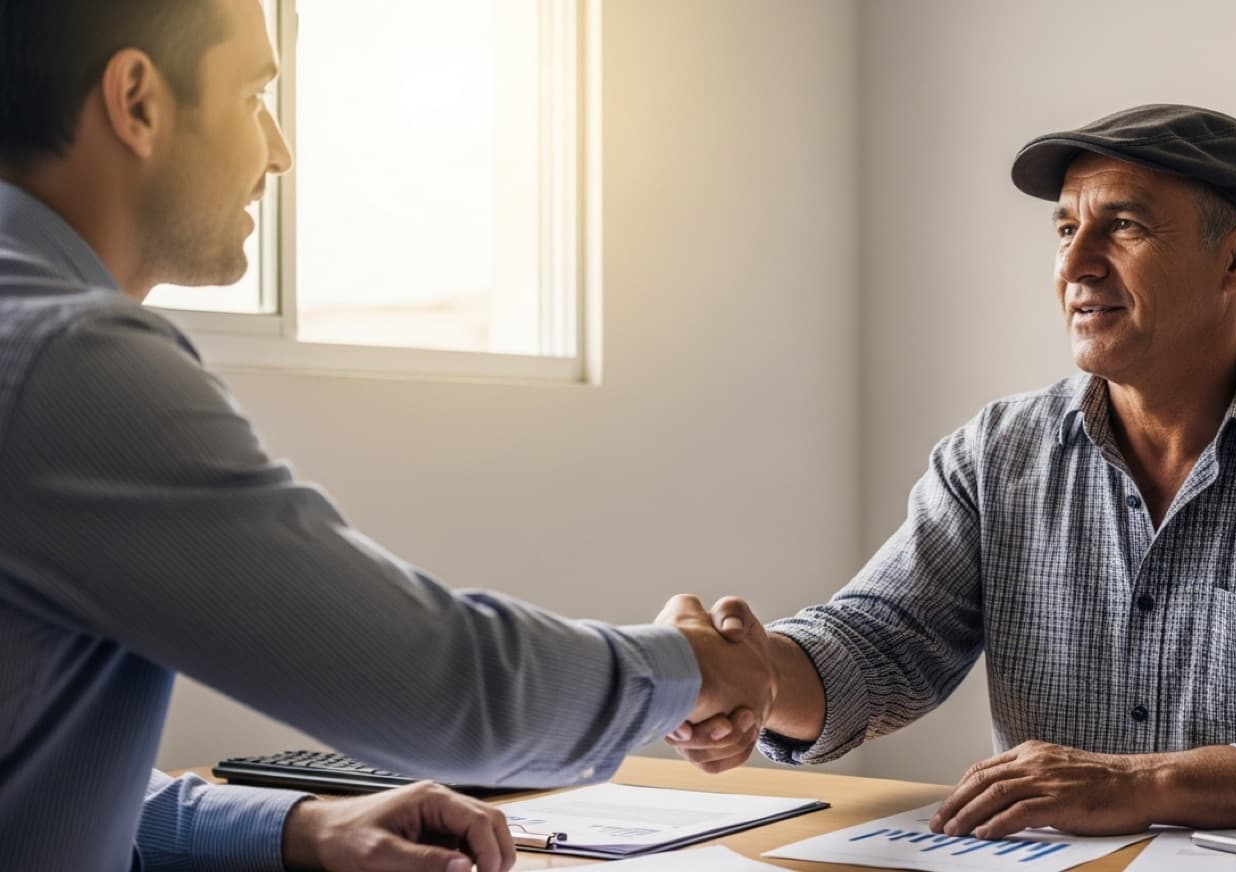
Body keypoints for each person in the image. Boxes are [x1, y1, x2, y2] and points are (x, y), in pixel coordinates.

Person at [0, 1, 773, 869]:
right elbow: (442, 688)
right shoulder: (65, 358)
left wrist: (300, 828)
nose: (279, 151)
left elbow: (40, 781)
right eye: (255, 93)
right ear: (137, 100)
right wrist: (694, 667)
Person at [667, 104, 1236, 837]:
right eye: (1068, 228)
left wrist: (1140, 785)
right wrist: (756, 675)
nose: (1074, 267)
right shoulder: (997, 453)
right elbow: (881, 646)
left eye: (1126, 226)